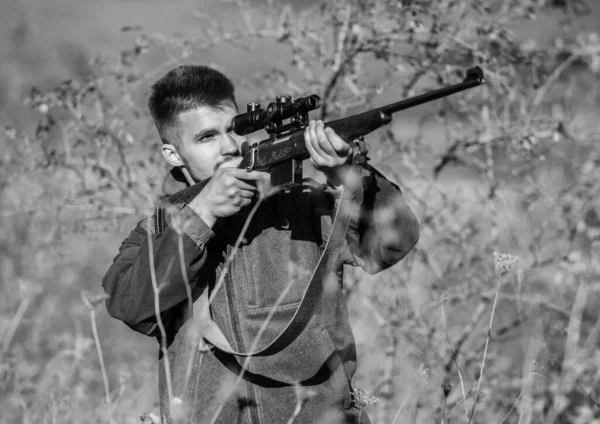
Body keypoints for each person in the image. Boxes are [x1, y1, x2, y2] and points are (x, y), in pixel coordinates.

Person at [102, 64, 420, 424]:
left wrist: (349, 174)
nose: (228, 147)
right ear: (174, 155)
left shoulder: (304, 203)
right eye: (207, 137)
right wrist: (201, 214)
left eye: (233, 129)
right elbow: (131, 305)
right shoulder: (157, 230)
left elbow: (393, 244)